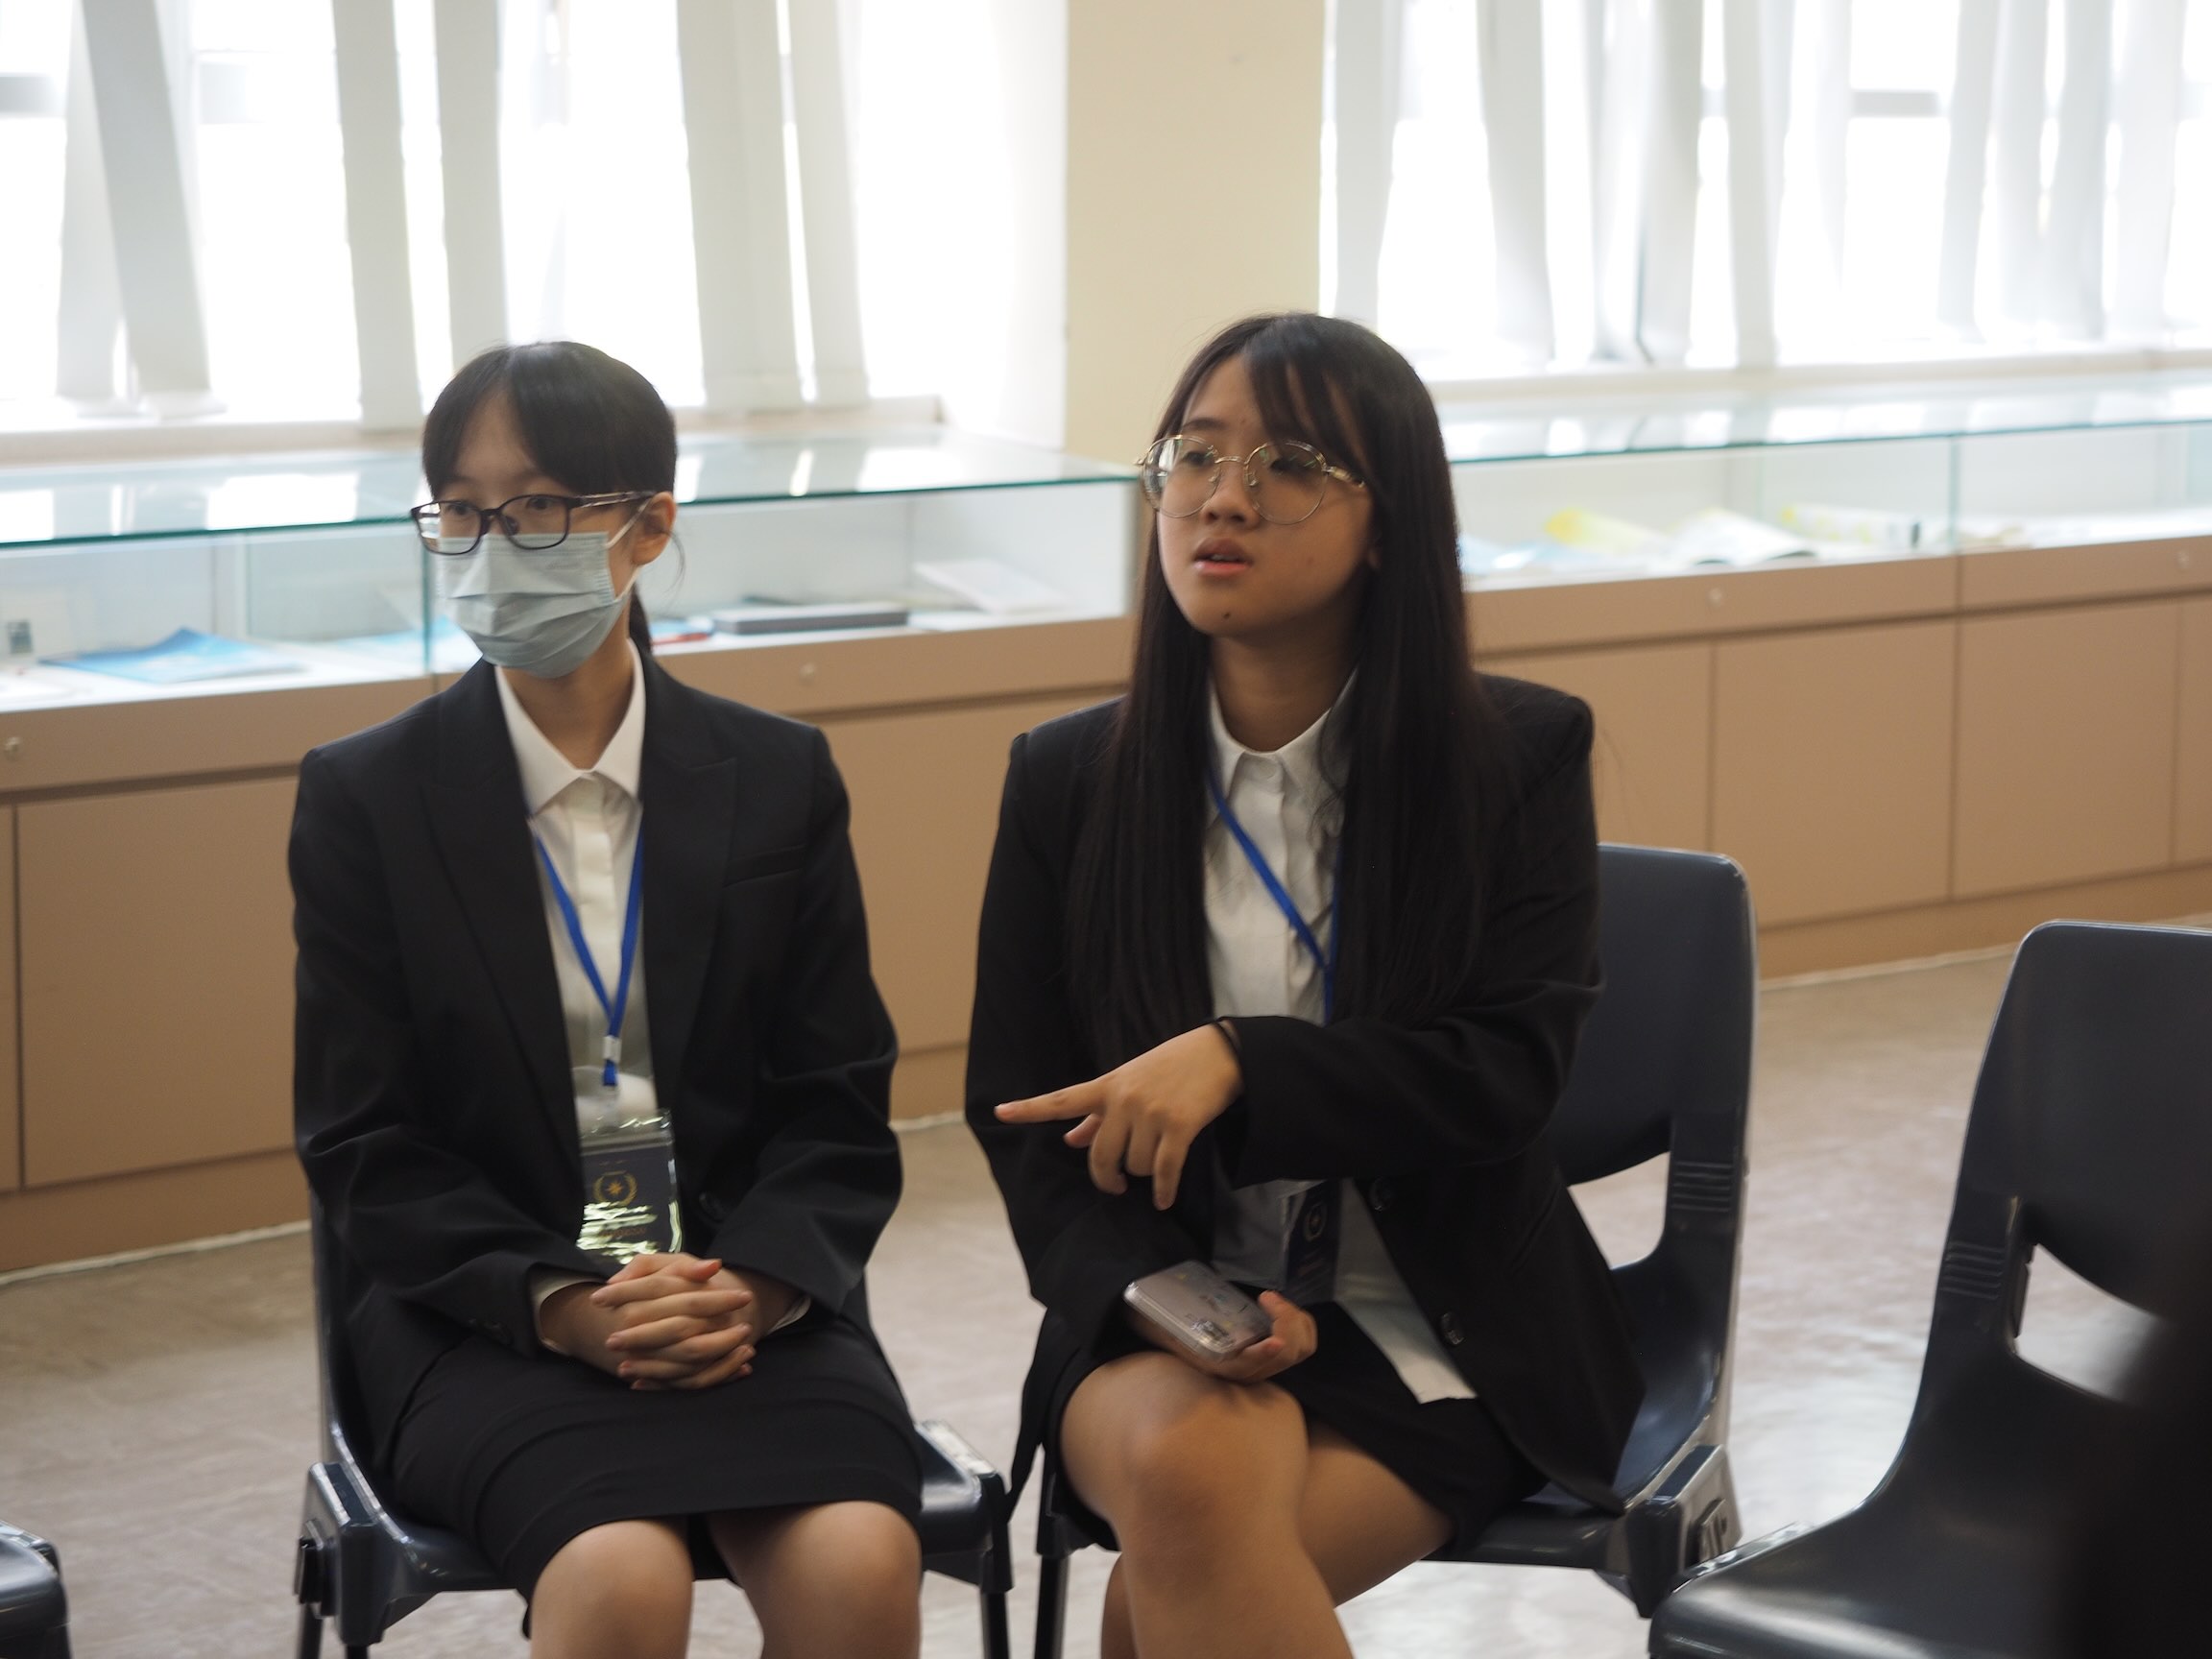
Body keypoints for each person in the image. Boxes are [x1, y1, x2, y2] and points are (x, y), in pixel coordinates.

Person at [967, 312, 1644, 1658]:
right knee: (1187, 1472)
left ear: (1388, 524)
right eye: (1195, 456)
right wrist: (1166, 1302)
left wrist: (1241, 1060)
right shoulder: (1069, 781)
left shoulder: (1516, 757)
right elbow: (1027, 1121)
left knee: (1154, 1601)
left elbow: (1505, 1076)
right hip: (1166, 1308)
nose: (1223, 499)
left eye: (1287, 466)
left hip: (1439, 1321)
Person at [292, 342, 923, 1659]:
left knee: (860, 1564)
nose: (492, 546)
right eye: (460, 511)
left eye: (536, 507)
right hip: (485, 1316)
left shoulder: (778, 777)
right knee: (620, 1577)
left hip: (744, 1300)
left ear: (649, 526)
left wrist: (754, 1288)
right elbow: (366, 1143)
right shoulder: (369, 798)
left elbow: (835, 1101)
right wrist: (564, 1302)